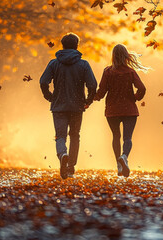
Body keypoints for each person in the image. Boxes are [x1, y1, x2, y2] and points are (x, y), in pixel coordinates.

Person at [40, 33, 97, 179]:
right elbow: (92, 85)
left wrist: (49, 96)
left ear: (62, 45)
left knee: (60, 136)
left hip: (58, 106)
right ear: (77, 46)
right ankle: (71, 167)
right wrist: (88, 101)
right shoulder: (83, 64)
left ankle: (62, 155)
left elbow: (43, 82)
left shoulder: (54, 63)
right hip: (77, 107)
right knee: (75, 136)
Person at [93, 44, 148, 177]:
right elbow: (142, 88)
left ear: (113, 56)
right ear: (125, 56)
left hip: (112, 110)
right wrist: (135, 98)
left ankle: (118, 165)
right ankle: (124, 157)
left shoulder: (108, 71)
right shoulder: (130, 72)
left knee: (116, 136)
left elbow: (102, 91)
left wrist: (94, 98)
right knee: (127, 138)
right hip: (129, 110)